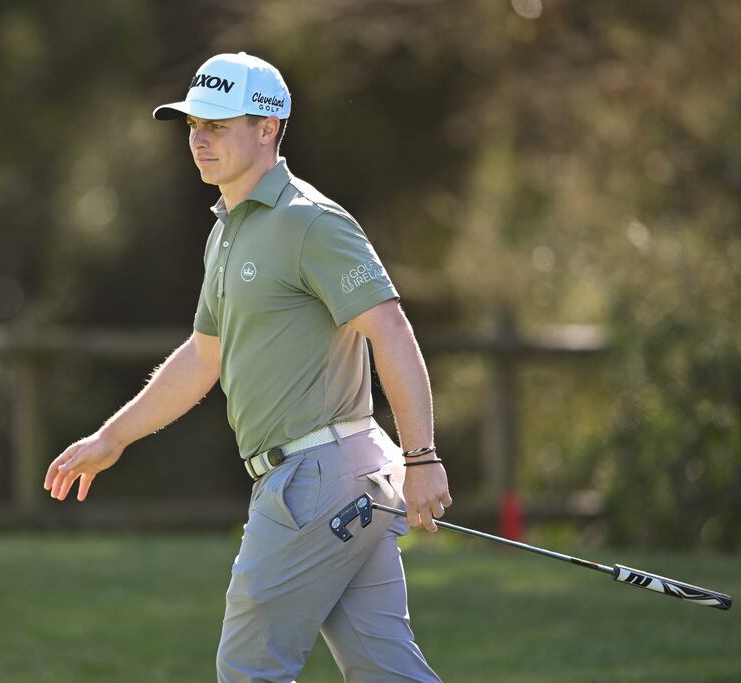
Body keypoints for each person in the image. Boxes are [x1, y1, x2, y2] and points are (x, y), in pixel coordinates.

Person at [43, 52, 452, 683]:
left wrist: (423, 457)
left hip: (316, 482)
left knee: (249, 669)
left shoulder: (309, 222)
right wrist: (111, 438)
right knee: (385, 670)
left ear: (268, 127)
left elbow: (391, 331)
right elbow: (205, 357)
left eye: (217, 124)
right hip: (344, 475)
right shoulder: (229, 229)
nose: (198, 139)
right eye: (192, 125)